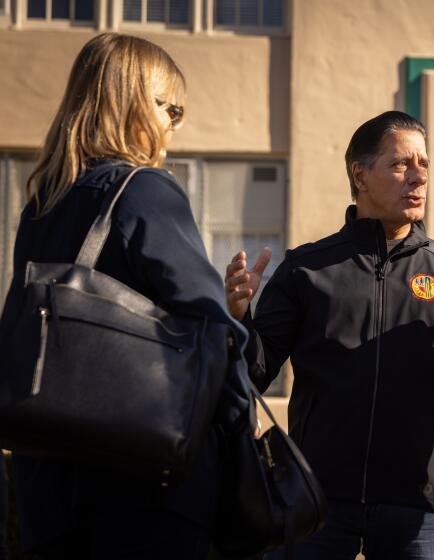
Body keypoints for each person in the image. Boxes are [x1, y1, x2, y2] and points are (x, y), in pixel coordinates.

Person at [0, 33, 252, 558]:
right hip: (146, 485)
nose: (172, 125)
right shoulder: (145, 190)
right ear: (133, 103)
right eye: (170, 108)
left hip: (50, 484)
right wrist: (239, 438)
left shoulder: (42, 204)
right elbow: (209, 332)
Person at [225, 110, 434, 560]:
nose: (418, 177)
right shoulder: (307, 268)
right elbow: (255, 373)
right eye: (401, 164)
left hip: (417, 504)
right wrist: (239, 316)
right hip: (318, 496)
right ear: (360, 174)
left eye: (425, 164)